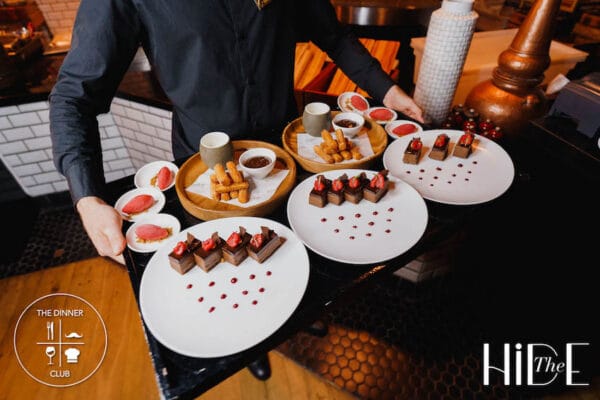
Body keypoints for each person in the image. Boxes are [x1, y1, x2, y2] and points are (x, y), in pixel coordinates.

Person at [50, 0, 423, 264]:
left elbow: (333, 35)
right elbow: (73, 96)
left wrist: (387, 90)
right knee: (229, 265)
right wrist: (88, 199)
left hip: (285, 156)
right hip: (205, 172)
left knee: (297, 254)